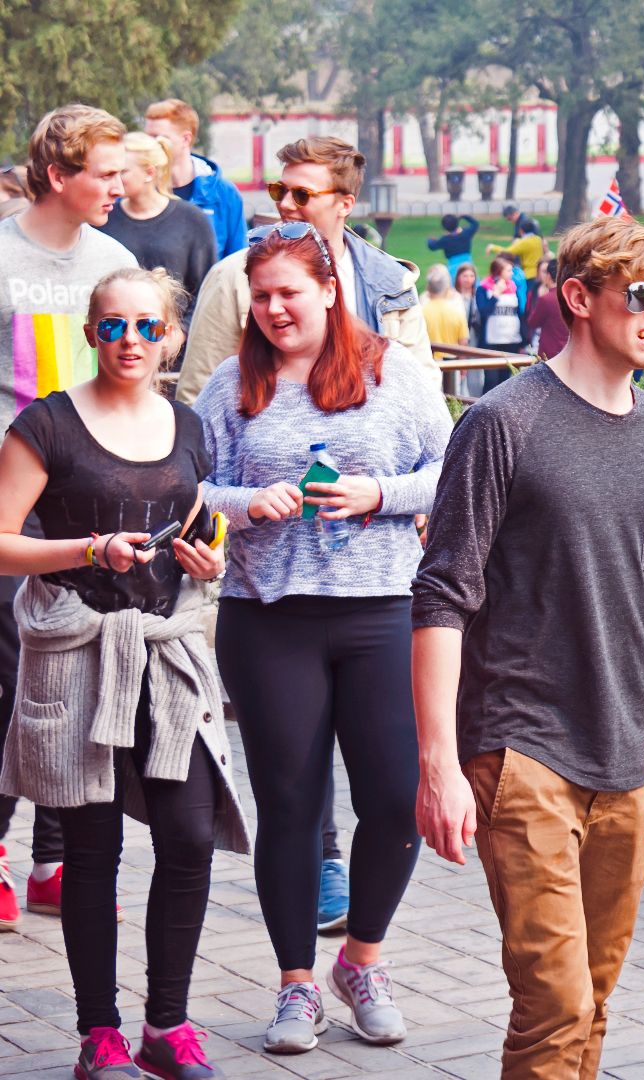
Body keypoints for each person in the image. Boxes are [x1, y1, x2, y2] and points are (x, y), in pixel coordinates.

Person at [412, 214, 644, 1078]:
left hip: (626, 756)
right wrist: (440, 765)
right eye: (639, 295)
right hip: (523, 747)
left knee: (594, 1004)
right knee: (556, 1004)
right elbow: (443, 593)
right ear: (578, 298)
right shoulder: (505, 421)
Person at [194, 221, 450, 1055]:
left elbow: (451, 472)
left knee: (393, 799)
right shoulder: (231, 386)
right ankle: (296, 984)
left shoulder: (392, 372)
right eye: (260, 296)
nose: (274, 310)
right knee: (293, 806)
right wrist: (244, 503)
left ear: (331, 290)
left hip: (379, 610)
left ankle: (363, 959)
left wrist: (378, 492)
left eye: (289, 293)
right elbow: (187, 487)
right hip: (269, 618)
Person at [0, 267, 243, 1080]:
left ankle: (166, 1028)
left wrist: (211, 555)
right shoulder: (48, 425)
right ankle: (97, 1034)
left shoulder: (188, 425)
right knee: (92, 851)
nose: (130, 341)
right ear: (91, 334)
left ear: (171, 334)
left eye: (146, 326)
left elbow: (202, 525)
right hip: (77, 657)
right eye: (112, 326)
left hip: (165, 655)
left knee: (187, 839)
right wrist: (85, 550)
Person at [0, 105, 139, 924]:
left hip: (90, 502)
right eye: (106, 173)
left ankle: (55, 860)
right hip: (12, 507)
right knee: (11, 680)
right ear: (60, 175)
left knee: (84, 682)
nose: (119, 189)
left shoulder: (114, 259)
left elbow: (132, 375)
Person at [174, 136, 432, 407]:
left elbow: (422, 392)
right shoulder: (232, 276)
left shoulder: (392, 281)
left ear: (345, 204)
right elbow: (199, 393)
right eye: (279, 191)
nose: (285, 204)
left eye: (301, 195)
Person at [101, 133, 217, 331]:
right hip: (117, 338)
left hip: (177, 344)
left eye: (123, 172)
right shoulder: (104, 219)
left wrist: (180, 334)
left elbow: (206, 288)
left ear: (149, 172)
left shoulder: (191, 219)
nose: (116, 180)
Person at [143, 100, 246, 259]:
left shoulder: (224, 194)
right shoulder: (138, 188)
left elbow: (238, 260)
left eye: (160, 138)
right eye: (147, 138)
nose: (150, 146)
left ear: (186, 139)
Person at [522, 257, 569, 358]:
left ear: (548, 276)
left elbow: (532, 322)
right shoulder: (569, 296)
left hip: (549, 351)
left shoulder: (546, 299)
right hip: (567, 350)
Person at [421, 264, 469, 348]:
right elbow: (463, 339)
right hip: (450, 353)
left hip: (430, 353)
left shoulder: (456, 298)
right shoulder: (423, 299)